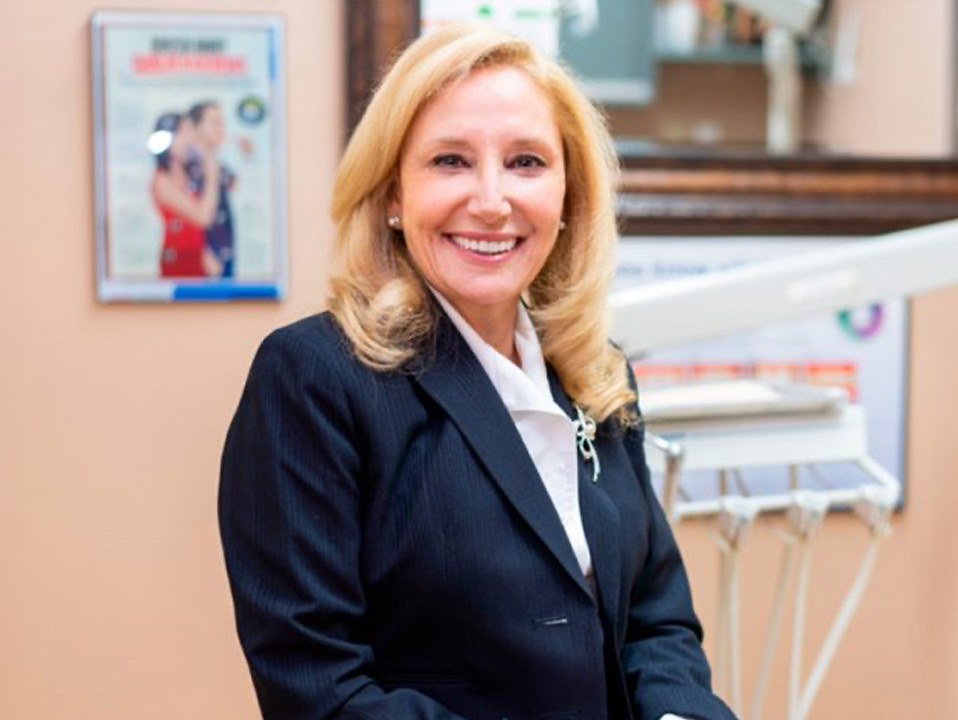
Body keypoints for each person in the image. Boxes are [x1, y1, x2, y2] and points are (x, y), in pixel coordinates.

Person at [219, 23, 736, 720]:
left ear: (567, 197)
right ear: (393, 192)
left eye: (526, 162)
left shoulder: (592, 371)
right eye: (450, 161)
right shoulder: (316, 379)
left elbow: (654, 617)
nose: (492, 201)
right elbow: (319, 688)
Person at [150, 111, 222, 277]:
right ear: (169, 139)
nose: (191, 141)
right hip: (178, 260)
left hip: (199, 259)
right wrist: (211, 176)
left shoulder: (189, 174)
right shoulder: (162, 181)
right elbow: (202, 218)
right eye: (186, 133)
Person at [187, 101, 236, 278]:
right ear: (196, 128)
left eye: (222, 122)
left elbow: (233, 185)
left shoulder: (216, 165)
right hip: (207, 260)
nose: (221, 128)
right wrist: (203, 251)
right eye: (215, 122)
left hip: (226, 251)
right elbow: (189, 217)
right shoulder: (188, 166)